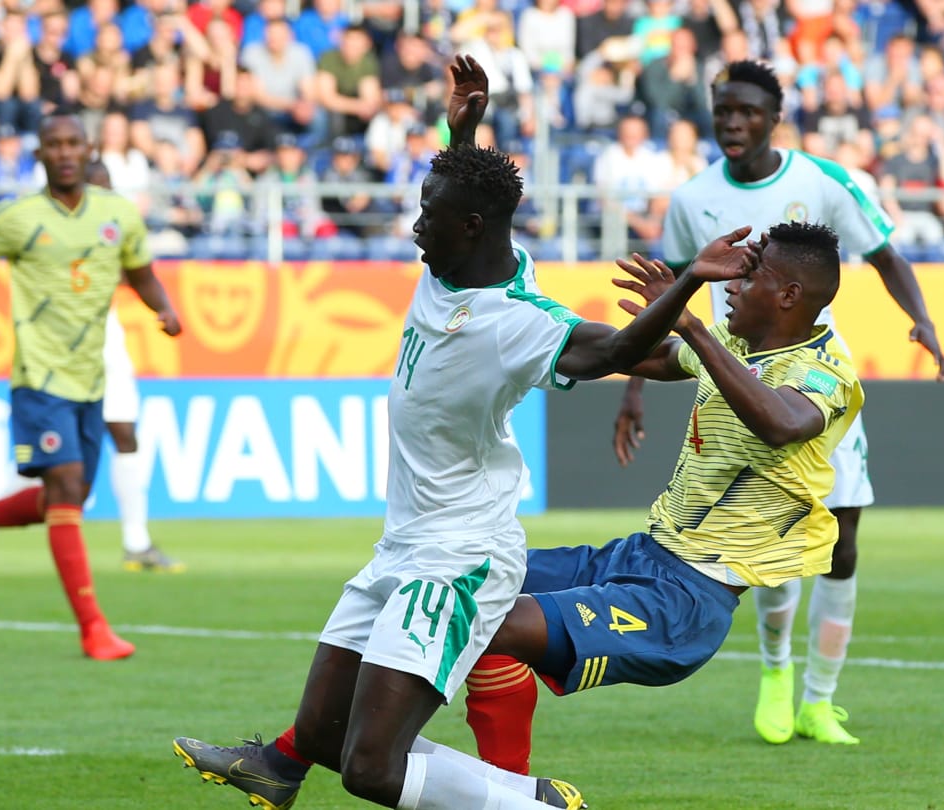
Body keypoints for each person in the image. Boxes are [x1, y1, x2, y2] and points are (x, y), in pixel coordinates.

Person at [170, 55, 754, 810]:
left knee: (371, 768)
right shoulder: (454, 264)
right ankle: (276, 771)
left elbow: (611, 351)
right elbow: (466, 190)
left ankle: (533, 805)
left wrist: (688, 285)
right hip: (402, 544)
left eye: (427, 214)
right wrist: (464, 128)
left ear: (470, 227)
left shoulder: (516, 323)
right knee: (319, 734)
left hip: (459, 556)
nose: (414, 228)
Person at [174, 220, 863, 809]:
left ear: (791, 295)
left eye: (749, 278)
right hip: (640, 556)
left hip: (688, 599)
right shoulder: (736, 342)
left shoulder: (826, 370)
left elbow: (782, 423)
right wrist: (670, 307)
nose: (732, 287)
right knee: (443, 581)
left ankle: (504, 796)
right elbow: (647, 355)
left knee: (478, 613)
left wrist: (691, 322)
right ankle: (288, 765)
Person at [609, 59, 944, 749]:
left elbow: (884, 254)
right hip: (733, 382)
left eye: (747, 111)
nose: (733, 122)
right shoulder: (691, 199)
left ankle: (820, 700)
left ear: (773, 117)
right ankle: (774, 673)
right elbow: (668, 292)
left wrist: (922, 318)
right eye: (722, 110)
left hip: (812, 383)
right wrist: (636, 391)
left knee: (843, 545)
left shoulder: (820, 182)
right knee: (766, 537)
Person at [0, 113, 183, 660]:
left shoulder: (119, 216)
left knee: (67, 497)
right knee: (69, 486)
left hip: (90, 378)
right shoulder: (17, 218)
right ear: (41, 153)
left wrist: (164, 308)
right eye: (55, 144)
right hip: (39, 378)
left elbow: (141, 273)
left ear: (90, 147)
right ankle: (93, 627)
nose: (66, 152)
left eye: (75, 143)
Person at [82, 159, 185, 573]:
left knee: (125, 433)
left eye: (109, 185)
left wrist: (160, 306)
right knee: (57, 451)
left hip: (105, 335)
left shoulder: (113, 227)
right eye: (98, 186)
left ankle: (136, 542)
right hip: (69, 342)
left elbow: (133, 272)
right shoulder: (70, 230)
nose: (105, 194)